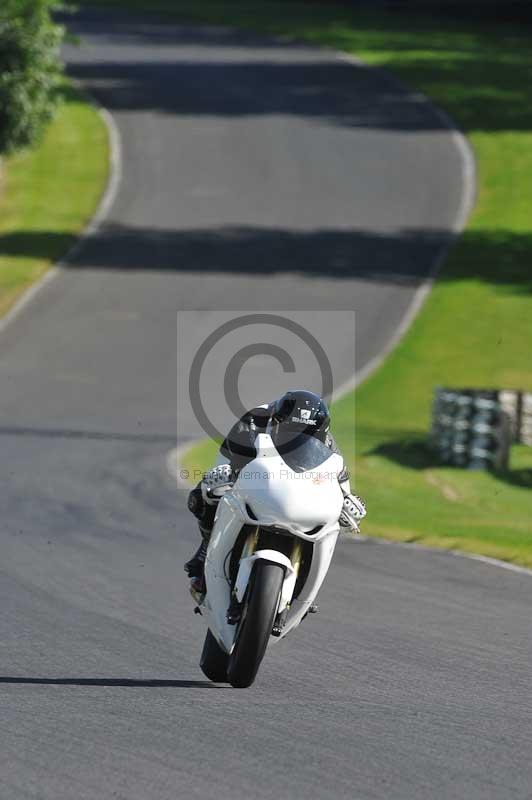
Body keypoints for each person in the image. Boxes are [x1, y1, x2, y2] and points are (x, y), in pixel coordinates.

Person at [184, 390, 366, 589]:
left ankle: (305, 583)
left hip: (294, 493)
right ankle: (206, 547)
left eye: (307, 436)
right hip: (256, 476)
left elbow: (339, 483)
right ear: (276, 422)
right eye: (291, 432)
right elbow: (226, 461)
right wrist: (223, 476)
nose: (297, 441)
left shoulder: (327, 442)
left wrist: (346, 500)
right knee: (205, 493)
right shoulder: (253, 423)